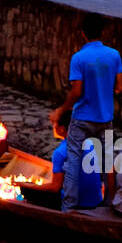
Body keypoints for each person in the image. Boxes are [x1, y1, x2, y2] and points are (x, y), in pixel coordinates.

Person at [50, 13, 122, 212]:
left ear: (83, 33)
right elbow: (119, 87)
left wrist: (62, 110)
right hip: (105, 117)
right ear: (103, 32)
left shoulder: (78, 58)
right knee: (108, 162)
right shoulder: (114, 55)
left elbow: (77, 91)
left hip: (82, 118)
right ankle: (109, 205)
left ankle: (69, 207)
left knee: (72, 160)